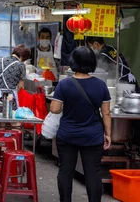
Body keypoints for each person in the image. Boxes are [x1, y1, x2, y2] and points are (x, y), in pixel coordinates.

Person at [50, 46, 111, 202]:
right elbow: (106, 113)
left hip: (67, 135)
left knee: (65, 171)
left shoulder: (64, 84)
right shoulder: (101, 85)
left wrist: (67, 105)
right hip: (93, 136)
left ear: (73, 62)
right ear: (92, 63)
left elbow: (55, 109)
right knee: (93, 173)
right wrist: (108, 134)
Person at [0, 44, 30, 109]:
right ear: (22, 56)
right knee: (8, 116)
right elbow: (21, 86)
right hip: (10, 97)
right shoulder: (21, 65)